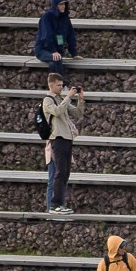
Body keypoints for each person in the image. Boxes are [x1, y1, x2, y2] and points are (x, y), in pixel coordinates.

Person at [40, 73, 83, 215]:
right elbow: (57, 112)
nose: (61, 88)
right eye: (58, 85)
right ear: (51, 85)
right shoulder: (48, 100)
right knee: (59, 172)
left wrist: (80, 99)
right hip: (57, 138)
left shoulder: (60, 99)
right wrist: (68, 97)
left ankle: (60, 204)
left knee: (65, 173)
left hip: (67, 138)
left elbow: (77, 113)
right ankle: (54, 205)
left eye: (62, 85)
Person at [34, 0, 76, 69]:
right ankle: (58, 80)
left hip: (58, 51)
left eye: (64, 4)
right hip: (43, 49)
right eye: (61, 4)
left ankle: (56, 80)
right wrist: (53, 51)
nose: (63, 6)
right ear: (55, 5)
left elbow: (71, 35)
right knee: (56, 59)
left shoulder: (65, 18)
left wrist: (74, 54)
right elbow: (47, 37)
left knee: (54, 63)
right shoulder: (46, 18)